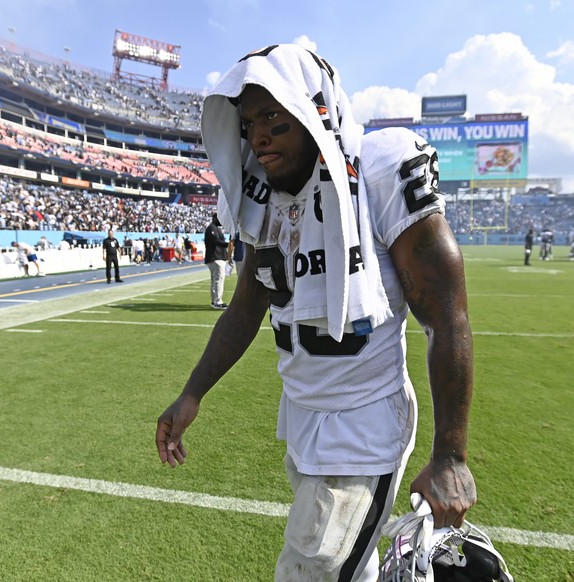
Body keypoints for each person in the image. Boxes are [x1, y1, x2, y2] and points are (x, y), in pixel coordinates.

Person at [155, 44, 476, 582]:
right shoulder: (262, 199)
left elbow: (448, 316)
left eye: (275, 119)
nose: (259, 136)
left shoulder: (377, 174)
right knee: (357, 566)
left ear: (314, 112)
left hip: (364, 421)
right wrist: (193, 392)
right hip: (302, 415)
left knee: (310, 571)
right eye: (251, 122)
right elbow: (245, 307)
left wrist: (451, 454)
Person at [203, 212, 229, 309]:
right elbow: (216, 241)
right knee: (218, 280)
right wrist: (228, 244)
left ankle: (214, 300)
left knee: (215, 280)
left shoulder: (215, 228)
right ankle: (217, 301)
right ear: (215, 218)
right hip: (215, 257)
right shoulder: (212, 228)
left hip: (216, 257)